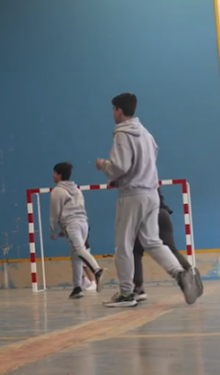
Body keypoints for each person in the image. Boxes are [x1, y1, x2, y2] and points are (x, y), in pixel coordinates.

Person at [96, 92, 202, 307]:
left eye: (113, 109)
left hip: (132, 196)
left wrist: (104, 166)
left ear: (119, 110)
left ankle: (126, 293)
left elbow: (120, 166)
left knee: (123, 245)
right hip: (152, 194)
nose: (113, 114)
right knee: (153, 242)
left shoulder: (122, 134)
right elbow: (147, 161)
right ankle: (181, 274)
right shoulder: (146, 133)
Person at [48, 162, 105, 299]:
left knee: (79, 250)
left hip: (72, 224)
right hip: (83, 224)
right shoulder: (77, 189)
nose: (53, 175)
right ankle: (77, 288)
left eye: (55, 173)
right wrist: (64, 228)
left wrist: (53, 230)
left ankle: (97, 271)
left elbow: (54, 213)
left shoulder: (57, 191)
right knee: (76, 257)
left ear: (60, 175)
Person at [132, 187, 193, 301]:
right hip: (163, 213)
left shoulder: (134, 180)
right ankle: (190, 273)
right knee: (171, 249)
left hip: (147, 215)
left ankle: (138, 288)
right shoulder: (152, 178)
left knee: (135, 251)